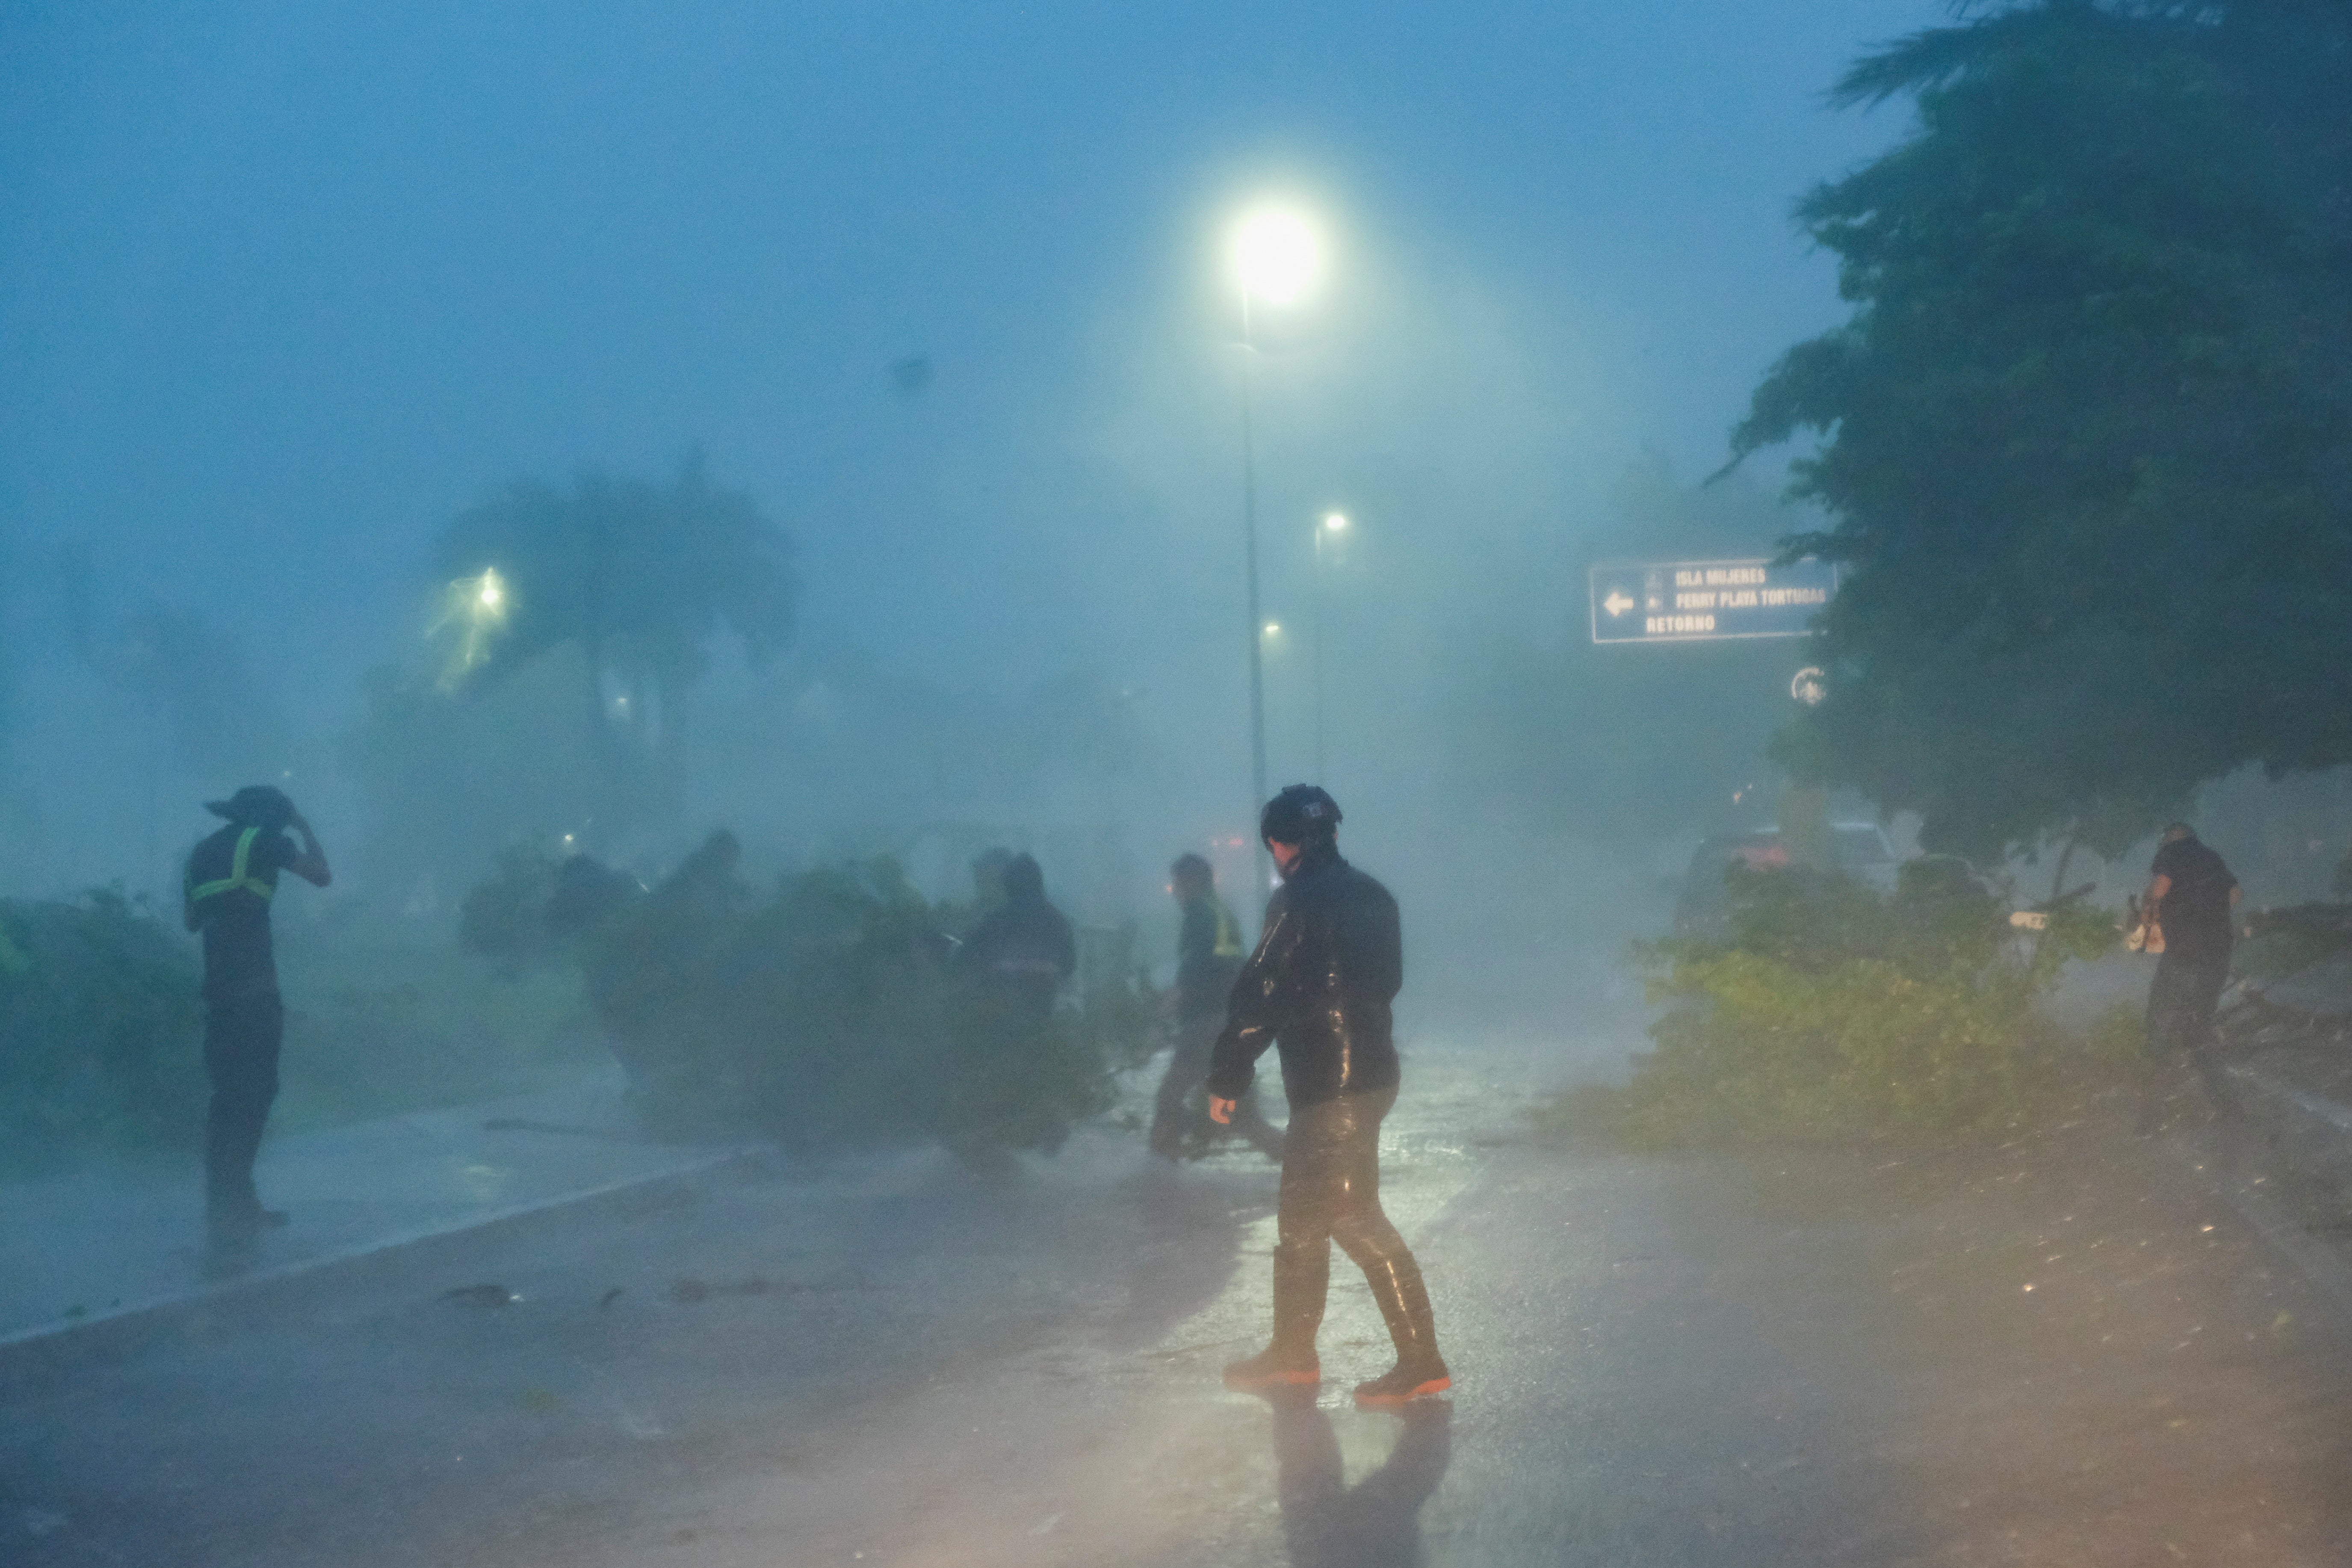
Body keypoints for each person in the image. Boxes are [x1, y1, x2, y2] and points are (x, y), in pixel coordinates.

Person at [1209, 785, 1450, 1409]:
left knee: (1349, 1213)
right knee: (1301, 1221)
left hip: (1330, 1084)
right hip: (1372, 1070)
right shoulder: (1375, 896)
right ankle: (1291, 1355)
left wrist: (1228, 1074)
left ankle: (1422, 1359)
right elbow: (1387, 981)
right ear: (1334, 835)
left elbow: (1260, 992)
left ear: (1280, 844)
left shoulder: (1296, 903)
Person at [182, 785, 331, 1249]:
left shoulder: (202, 853)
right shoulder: (263, 840)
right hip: (255, 989)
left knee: (225, 1096)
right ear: (271, 818)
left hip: (217, 990)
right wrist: (304, 826)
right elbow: (321, 875)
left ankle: (220, 1203)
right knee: (258, 1092)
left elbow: (191, 921)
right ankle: (240, 1203)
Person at [1150, 853, 1282, 1162]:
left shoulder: (1200, 913)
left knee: (1168, 1099)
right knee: (1245, 1117)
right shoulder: (1219, 913)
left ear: (1192, 882)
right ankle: (1310, 1168)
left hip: (1209, 1024)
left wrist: (1173, 999)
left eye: (1179, 884)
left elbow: (1201, 966)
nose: (1176, 892)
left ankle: (1156, 1176)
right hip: (1230, 1023)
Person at [2140, 821, 2242, 1128]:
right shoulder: (2210, 856)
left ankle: (2152, 1100)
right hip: (2218, 954)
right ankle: (2224, 1102)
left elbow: (2160, 888)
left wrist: (2150, 912)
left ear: (2170, 838)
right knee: (2199, 1023)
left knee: (2160, 1017)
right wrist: (2208, 912)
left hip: (2185, 952)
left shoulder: (2173, 852)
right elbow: (2235, 894)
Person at [955, 852, 1076, 1022]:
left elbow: (964, 958)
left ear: (1007, 884)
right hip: (1043, 1012)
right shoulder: (1058, 921)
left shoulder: (994, 921)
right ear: (1039, 883)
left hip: (996, 1016)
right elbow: (1069, 965)